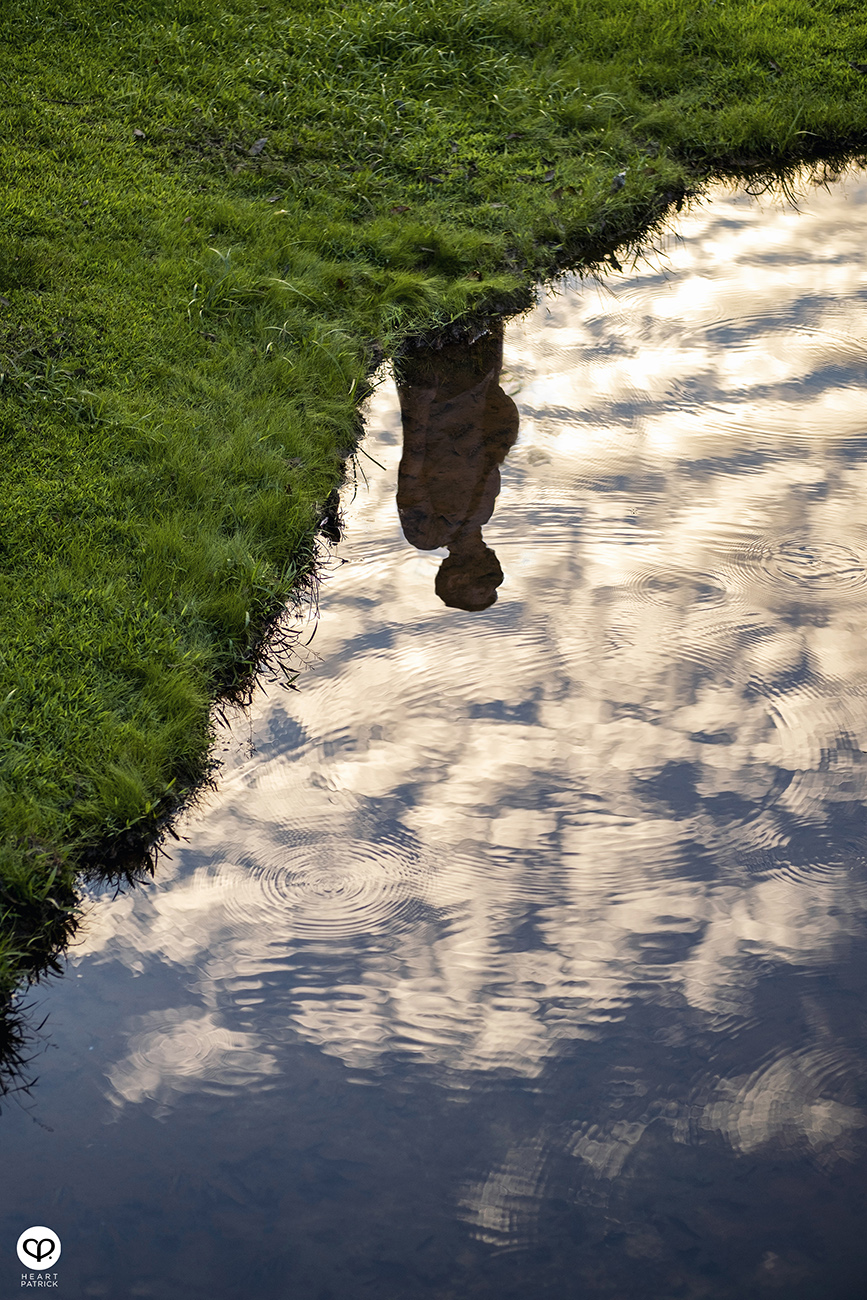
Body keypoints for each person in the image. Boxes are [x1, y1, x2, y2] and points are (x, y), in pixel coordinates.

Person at [395, 325, 519, 611]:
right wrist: (493, 367)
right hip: (476, 382)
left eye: (483, 587)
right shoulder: (483, 514)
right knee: (477, 308)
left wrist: (418, 400)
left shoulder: (426, 535)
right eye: (494, 584)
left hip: (437, 395)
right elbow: (490, 451)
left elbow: (411, 469)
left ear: (454, 581)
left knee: (427, 320)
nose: (494, 581)